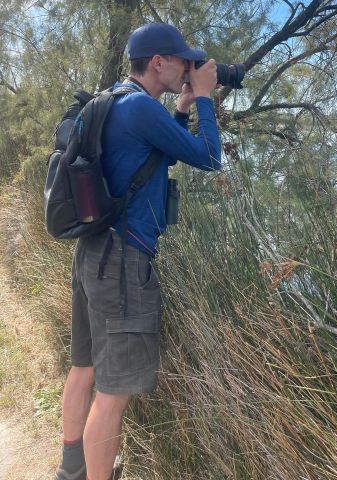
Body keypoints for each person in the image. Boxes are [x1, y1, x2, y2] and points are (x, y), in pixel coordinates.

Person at [54, 23, 221, 480]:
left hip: (92, 252)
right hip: (123, 263)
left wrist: (182, 108)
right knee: (112, 396)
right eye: (182, 61)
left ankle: (71, 470)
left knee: (83, 368)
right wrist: (204, 97)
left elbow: (158, 156)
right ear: (158, 63)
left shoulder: (115, 99)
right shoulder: (143, 109)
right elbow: (208, 157)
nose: (188, 69)